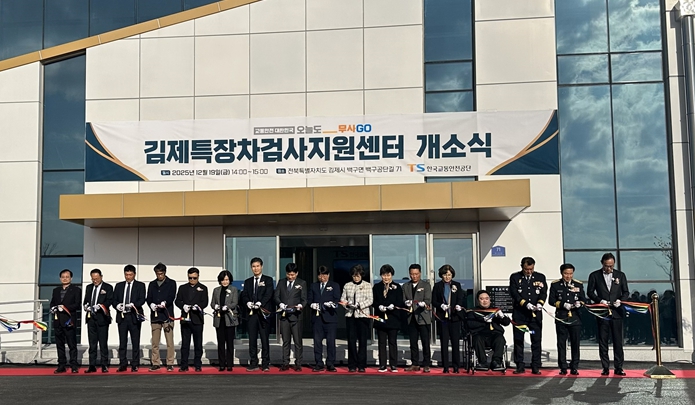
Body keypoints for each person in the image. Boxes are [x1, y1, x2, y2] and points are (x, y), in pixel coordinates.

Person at [587, 252, 630, 376]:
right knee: (603, 340)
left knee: (618, 341)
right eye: (606, 266)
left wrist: (620, 301)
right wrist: (600, 300)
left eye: (611, 266)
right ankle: (605, 367)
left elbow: (626, 292)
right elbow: (590, 292)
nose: (609, 268)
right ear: (602, 263)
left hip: (617, 312)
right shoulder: (594, 275)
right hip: (603, 312)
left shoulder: (620, 275)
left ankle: (619, 367)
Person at [509, 256, 547, 374]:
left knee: (536, 340)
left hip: (534, 316)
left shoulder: (540, 277)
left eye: (531, 269)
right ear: (522, 267)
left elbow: (543, 293)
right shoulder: (515, 277)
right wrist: (526, 304)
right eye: (526, 269)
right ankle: (519, 365)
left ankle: (535, 365)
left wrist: (540, 303)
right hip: (520, 315)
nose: (529, 271)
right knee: (518, 340)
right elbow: (514, 293)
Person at [549, 263, 585, 376]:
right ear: (561, 273)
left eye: (570, 274)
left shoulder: (578, 284)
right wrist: (563, 304)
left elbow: (583, 299)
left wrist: (580, 303)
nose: (568, 276)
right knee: (561, 343)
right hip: (561, 317)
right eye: (566, 274)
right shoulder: (555, 285)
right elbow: (551, 300)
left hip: (575, 317)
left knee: (575, 343)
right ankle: (563, 367)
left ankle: (574, 366)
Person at [240, 257, 275, 372]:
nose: (256, 268)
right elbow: (244, 295)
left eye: (257, 266)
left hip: (263, 313)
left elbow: (269, 294)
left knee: (264, 339)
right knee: (252, 339)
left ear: (261, 266)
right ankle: (253, 362)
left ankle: (265, 363)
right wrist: (247, 302)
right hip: (252, 314)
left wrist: (261, 303)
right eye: (253, 266)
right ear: (251, 268)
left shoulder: (268, 280)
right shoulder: (248, 281)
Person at [432, 264, 465, 373]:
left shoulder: (457, 285)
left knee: (455, 342)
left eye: (449, 275)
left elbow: (460, 298)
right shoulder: (437, 286)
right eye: (445, 275)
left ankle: (456, 366)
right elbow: (434, 301)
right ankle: (445, 366)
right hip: (443, 318)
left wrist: (458, 305)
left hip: (454, 317)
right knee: (444, 342)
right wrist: (440, 305)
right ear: (441, 275)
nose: (447, 277)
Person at [466, 290, 510, 372]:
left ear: (490, 299)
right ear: (478, 300)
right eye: (482, 299)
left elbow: (506, 323)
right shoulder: (473, 311)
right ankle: (483, 362)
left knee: (500, 339)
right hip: (480, 334)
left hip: (494, 335)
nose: (485, 301)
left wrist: (502, 316)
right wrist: (483, 321)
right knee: (477, 338)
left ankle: (496, 362)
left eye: (487, 298)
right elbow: (470, 324)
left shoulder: (495, 310)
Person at [113, 264, 146, 372]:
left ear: (134, 274)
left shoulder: (140, 285)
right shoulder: (119, 286)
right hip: (122, 317)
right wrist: (117, 305)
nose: (128, 277)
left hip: (134, 316)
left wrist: (134, 305)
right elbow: (114, 300)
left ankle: (135, 363)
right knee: (122, 341)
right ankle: (123, 363)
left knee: (135, 341)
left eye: (130, 275)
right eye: (126, 275)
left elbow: (142, 299)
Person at [275, 263, 307, 371]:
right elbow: (276, 296)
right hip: (284, 316)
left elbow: (304, 299)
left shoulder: (302, 283)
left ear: (296, 273)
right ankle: (285, 362)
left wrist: (301, 306)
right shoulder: (281, 282)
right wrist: (280, 303)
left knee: (297, 341)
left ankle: (298, 363)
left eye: (292, 275)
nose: (290, 276)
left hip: (296, 316)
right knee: (285, 341)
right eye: (288, 274)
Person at [308, 265, 341, 372]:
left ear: (328, 275)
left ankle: (330, 363)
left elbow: (337, 299)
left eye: (324, 275)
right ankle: (318, 363)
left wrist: (332, 304)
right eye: (320, 275)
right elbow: (309, 299)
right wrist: (312, 304)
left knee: (331, 342)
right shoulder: (314, 286)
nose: (322, 277)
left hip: (330, 318)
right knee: (317, 342)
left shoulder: (334, 285)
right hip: (317, 318)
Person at [340, 264, 373, 372]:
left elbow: (370, 300)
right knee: (351, 340)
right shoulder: (347, 285)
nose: (356, 278)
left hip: (362, 315)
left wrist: (359, 305)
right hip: (351, 315)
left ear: (361, 275)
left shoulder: (367, 285)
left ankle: (362, 364)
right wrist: (347, 304)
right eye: (354, 276)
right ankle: (352, 364)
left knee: (362, 341)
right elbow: (342, 299)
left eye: (358, 276)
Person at [175, 267, 209, 372]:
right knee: (185, 344)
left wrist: (198, 306)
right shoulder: (182, 288)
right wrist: (183, 306)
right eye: (190, 278)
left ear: (198, 277)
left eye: (194, 278)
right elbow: (177, 300)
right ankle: (184, 365)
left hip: (197, 319)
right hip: (186, 319)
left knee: (198, 343)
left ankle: (197, 364)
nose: (192, 280)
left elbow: (205, 302)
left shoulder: (203, 288)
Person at [372, 264, 404, 373]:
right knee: (381, 342)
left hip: (393, 318)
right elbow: (374, 301)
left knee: (392, 342)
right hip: (380, 318)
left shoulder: (397, 287)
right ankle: (382, 365)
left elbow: (400, 301)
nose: (386, 277)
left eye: (388, 275)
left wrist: (393, 306)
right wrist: (379, 306)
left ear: (392, 275)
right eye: (384, 275)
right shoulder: (377, 287)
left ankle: (393, 364)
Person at [146, 262, 177, 372]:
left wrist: (165, 302)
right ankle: (155, 362)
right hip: (155, 316)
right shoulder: (152, 284)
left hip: (167, 315)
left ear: (164, 273)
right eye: (157, 274)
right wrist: (151, 304)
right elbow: (148, 297)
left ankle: (170, 362)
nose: (159, 276)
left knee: (169, 341)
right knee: (155, 342)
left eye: (161, 273)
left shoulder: (171, 283)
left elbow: (172, 296)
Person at [50, 269, 81, 374]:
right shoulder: (56, 290)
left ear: (71, 278)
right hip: (58, 321)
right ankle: (61, 365)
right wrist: (53, 308)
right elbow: (52, 303)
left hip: (69, 321)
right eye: (63, 277)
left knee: (72, 345)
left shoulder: (76, 290)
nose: (65, 279)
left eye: (67, 277)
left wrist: (64, 307)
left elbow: (77, 304)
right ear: (60, 278)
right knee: (60, 345)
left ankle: (74, 365)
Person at [82, 268, 113, 373]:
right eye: (93, 279)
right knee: (92, 343)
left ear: (101, 277)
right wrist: (86, 306)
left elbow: (109, 301)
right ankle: (92, 365)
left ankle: (104, 364)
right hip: (91, 318)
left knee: (103, 343)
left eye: (97, 278)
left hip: (102, 318)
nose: (95, 281)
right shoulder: (89, 287)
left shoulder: (107, 287)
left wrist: (100, 306)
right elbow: (86, 300)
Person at [403, 263, 432, 373]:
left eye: (416, 274)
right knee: (413, 342)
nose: (414, 276)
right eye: (412, 274)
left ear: (420, 273)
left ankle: (426, 364)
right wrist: (406, 302)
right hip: (411, 317)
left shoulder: (426, 285)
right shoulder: (405, 286)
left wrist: (423, 303)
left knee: (425, 342)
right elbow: (403, 299)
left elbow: (428, 299)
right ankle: (415, 363)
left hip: (423, 317)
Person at [211, 270, 239, 372]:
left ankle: (230, 364)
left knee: (230, 343)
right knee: (221, 342)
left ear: (230, 280)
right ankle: (222, 364)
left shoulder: (233, 289)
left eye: (227, 280)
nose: (225, 282)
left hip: (229, 319)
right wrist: (215, 306)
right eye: (223, 280)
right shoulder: (216, 290)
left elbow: (235, 302)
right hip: (219, 319)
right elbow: (212, 303)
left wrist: (227, 307)